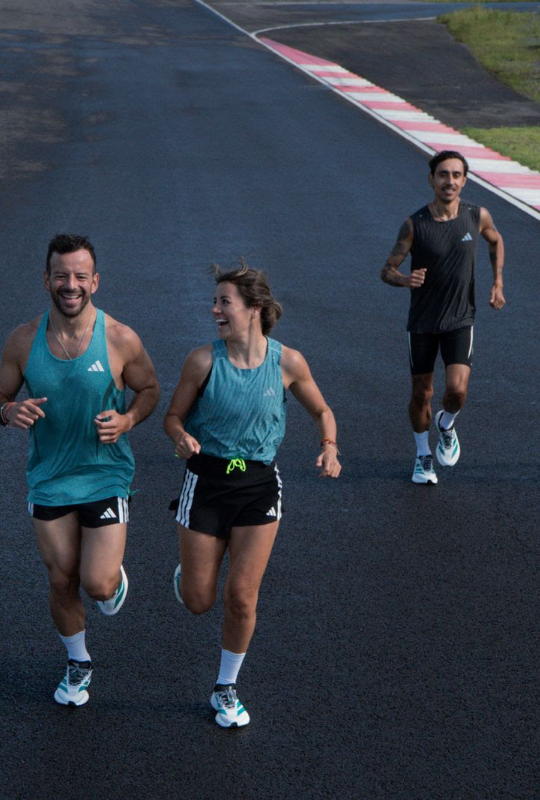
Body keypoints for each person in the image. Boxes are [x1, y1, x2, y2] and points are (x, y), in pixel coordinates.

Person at [0, 234, 160, 707]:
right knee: (60, 578)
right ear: (46, 279)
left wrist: (127, 419)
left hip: (105, 473)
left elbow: (149, 390)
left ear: (95, 282)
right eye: (61, 275)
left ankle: (112, 580)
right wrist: (8, 413)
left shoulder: (120, 338)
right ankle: (78, 662)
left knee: (96, 583)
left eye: (80, 276)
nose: (70, 284)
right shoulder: (24, 340)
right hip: (50, 476)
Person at [165, 266, 341, 728]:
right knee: (199, 600)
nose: (214, 309)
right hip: (206, 483)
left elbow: (322, 410)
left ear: (254, 310)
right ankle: (190, 574)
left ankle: (226, 688)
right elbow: (173, 417)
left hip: (259, 485)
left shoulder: (288, 363)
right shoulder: (203, 362)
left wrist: (329, 446)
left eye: (224, 302)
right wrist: (181, 438)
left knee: (241, 597)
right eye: (216, 301)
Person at [378, 150, 505, 484]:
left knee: (457, 392)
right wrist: (405, 279)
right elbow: (387, 270)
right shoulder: (414, 224)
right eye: (443, 174)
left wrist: (498, 283)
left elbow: (495, 241)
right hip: (422, 322)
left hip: (460, 318)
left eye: (456, 175)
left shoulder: (477, 216)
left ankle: (446, 425)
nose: (450, 181)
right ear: (431, 179)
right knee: (422, 394)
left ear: (464, 180)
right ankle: (423, 456)